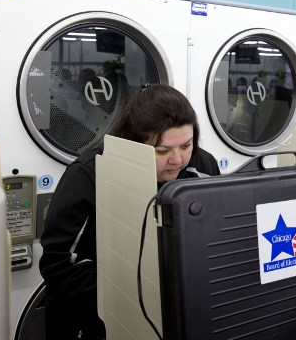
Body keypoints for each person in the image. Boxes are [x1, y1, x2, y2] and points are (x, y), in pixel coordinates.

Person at [39, 84, 220, 339]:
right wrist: (133, 299)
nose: (177, 160)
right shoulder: (90, 174)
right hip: (92, 319)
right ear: (133, 144)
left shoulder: (202, 165)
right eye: (162, 151)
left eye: (186, 145)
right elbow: (59, 265)